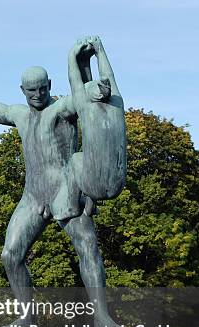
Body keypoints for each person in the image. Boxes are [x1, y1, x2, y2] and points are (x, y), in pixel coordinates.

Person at [0, 38, 123, 327]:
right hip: (33, 197)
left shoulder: (62, 109)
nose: (37, 94)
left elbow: (90, 96)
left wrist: (94, 64)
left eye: (43, 88)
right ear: (22, 91)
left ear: (50, 84)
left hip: (66, 192)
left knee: (88, 248)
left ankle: (102, 317)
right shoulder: (20, 115)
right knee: (10, 255)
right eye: (31, 90)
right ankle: (27, 317)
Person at [67, 36, 126, 202]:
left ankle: (71, 204)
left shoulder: (86, 107)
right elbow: (109, 76)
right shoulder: (117, 104)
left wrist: (72, 56)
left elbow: (74, 81)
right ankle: (90, 203)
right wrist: (100, 51)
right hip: (117, 185)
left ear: (96, 94)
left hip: (92, 185)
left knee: (76, 158)